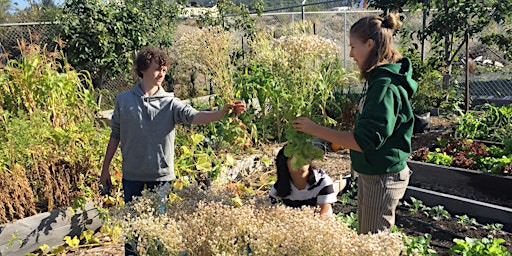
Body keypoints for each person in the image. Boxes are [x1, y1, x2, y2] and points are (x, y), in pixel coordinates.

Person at [100, 46, 245, 255]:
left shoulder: (170, 103)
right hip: (132, 176)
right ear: (143, 69)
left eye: (164, 70)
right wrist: (105, 169)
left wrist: (221, 113)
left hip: (160, 178)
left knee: (159, 234)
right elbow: (115, 135)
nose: (161, 73)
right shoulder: (124, 100)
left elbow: (196, 116)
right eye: (157, 69)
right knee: (132, 236)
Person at [291, 13, 417, 234]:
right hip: (374, 172)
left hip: (382, 176)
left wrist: (314, 129)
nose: (350, 54)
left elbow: (364, 141)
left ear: (370, 44)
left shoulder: (384, 88)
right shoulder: (377, 81)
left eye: (353, 46)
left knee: (372, 241)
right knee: (367, 236)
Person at [269, 146, 337, 217]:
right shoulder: (280, 186)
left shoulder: (322, 182)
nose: (299, 160)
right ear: (284, 164)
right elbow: (272, 213)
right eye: (292, 156)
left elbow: (322, 216)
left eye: (302, 155)